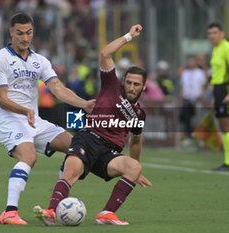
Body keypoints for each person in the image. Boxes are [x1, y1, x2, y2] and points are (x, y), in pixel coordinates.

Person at [33, 24, 152, 226]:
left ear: (144, 87)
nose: (131, 87)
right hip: (88, 139)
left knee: (134, 166)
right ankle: (51, 212)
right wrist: (129, 36)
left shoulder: (139, 114)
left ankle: (106, 214)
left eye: (136, 84)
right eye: (129, 82)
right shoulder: (111, 85)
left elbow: (135, 142)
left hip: (108, 153)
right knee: (71, 173)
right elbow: (105, 54)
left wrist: (135, 169)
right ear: (123, 81)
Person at [0, 12, 95, 225]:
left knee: (75, 146)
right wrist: (24, 110)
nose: (25, 38)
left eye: (28, 33)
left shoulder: (40, 61)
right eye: (19, 33)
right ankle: (9, 212)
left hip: (33, 120)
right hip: (8, 119)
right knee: (28, 156)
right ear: (11, 32)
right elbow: (1, 99)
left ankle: (54, 207)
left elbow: (58, 89)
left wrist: (84, 104)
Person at [207, 23, 229, 171]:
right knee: (223, 125)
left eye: (215, 33)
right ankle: (228, 161)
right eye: (210, 33)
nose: (212, 36)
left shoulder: (228, 47)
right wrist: (214, 92)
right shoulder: (216, 49)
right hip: (218, 90)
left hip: (226, 87)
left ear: (222, 33)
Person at [179, 56, 206, 143]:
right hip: (187, 98)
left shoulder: (200, 73)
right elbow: (182, 86)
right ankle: (189, 136)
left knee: (198, 118)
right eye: (189, 62)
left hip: (197, 98)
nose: (191, 63)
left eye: (192, 62)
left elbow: (202, 86)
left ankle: (200, 137)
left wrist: (202, 96)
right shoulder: (185, 73)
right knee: (187, 118)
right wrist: (181, 98)